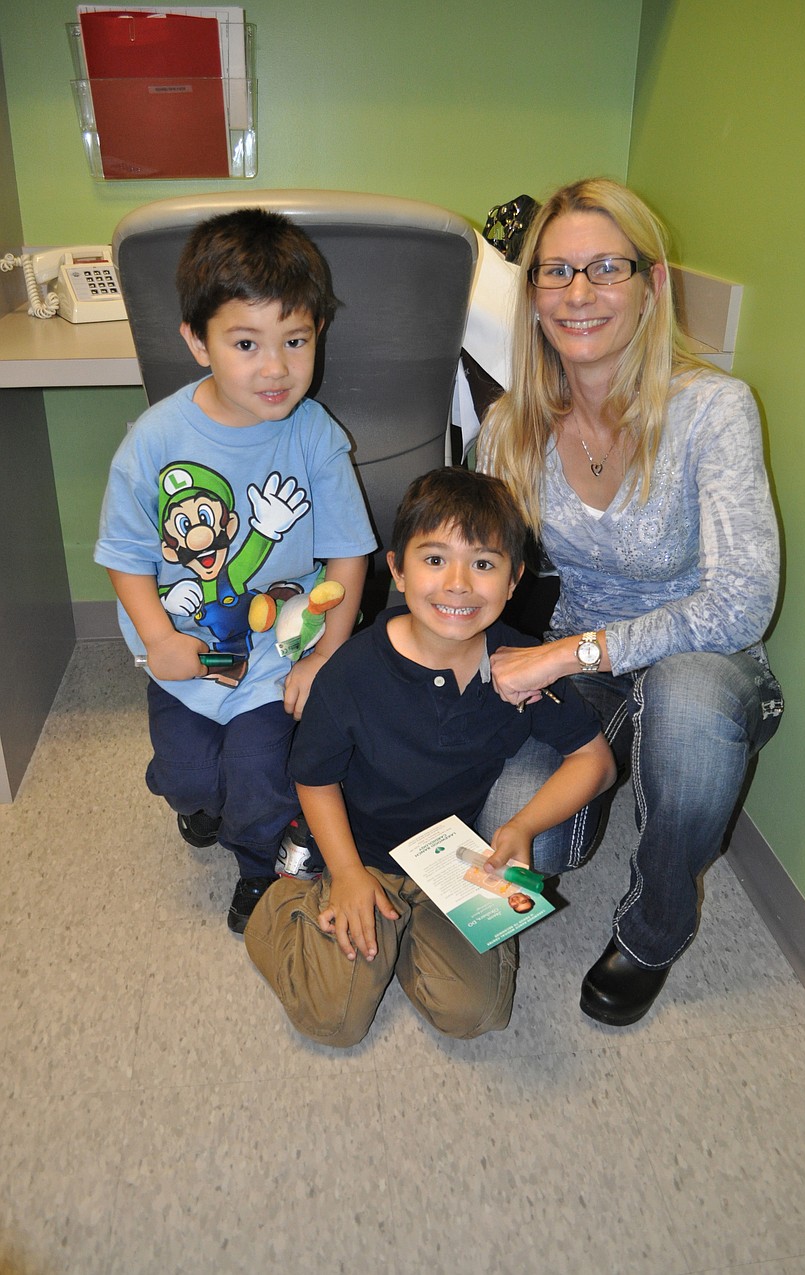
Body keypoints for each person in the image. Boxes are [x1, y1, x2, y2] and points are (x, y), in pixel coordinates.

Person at [478, 177, 784, 1026]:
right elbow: (475, 574)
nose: (578, 294)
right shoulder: (510, 425)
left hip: (702, 662)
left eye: (605, 268)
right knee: (522, 834)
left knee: (684, 716)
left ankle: (656, 924)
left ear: (652, 286)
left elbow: (741, 604)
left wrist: (567, 655)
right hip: (580, 666)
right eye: (555, 272)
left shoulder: (713, 410)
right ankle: (605, 777)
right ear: (532, 294)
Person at [244, 467, 616, 1046]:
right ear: (396, 568)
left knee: (475, 1015)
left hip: (451, 858)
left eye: (485, 564)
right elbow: (314, 780)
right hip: (357, 854)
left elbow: (595, 761)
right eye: (435, 559)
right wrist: (345, 876)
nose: (459, 584)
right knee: (334, 1020)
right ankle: (285, 904)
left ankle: (401, 935)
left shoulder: (521, 664)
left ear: (515, 579)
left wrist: (521, 827)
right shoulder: (352, 674)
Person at [95, 208, 376, 933]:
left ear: (318, 334)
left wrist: (328, 652)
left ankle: (258, 868)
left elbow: (349, 552)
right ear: (197, 341)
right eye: (246, 343)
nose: (276, 367)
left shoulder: (316, 436)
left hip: (275, 653)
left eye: (296, 340)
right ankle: (193, 797)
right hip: (185, 651)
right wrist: (158, 637)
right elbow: (126, 557)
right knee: (191, 779)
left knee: (257, 783)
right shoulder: (153, 441)